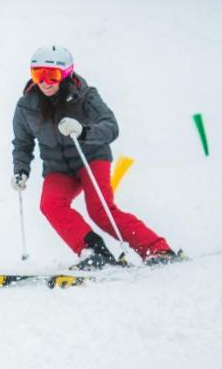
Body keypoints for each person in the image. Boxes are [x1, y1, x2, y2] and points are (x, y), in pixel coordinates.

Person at [11, 46, 180, 269]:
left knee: (100, 210)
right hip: (58, 167)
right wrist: (20, 170)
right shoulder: (26, 106)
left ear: (66, 74)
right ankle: (94, 252)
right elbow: (22, 143)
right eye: (38, 74)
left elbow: (111, 127)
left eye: (52, 75)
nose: (45, 82)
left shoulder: (85, 96)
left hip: (90, 157)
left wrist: (83, 131)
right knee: (50, 204)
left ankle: (156, 249)